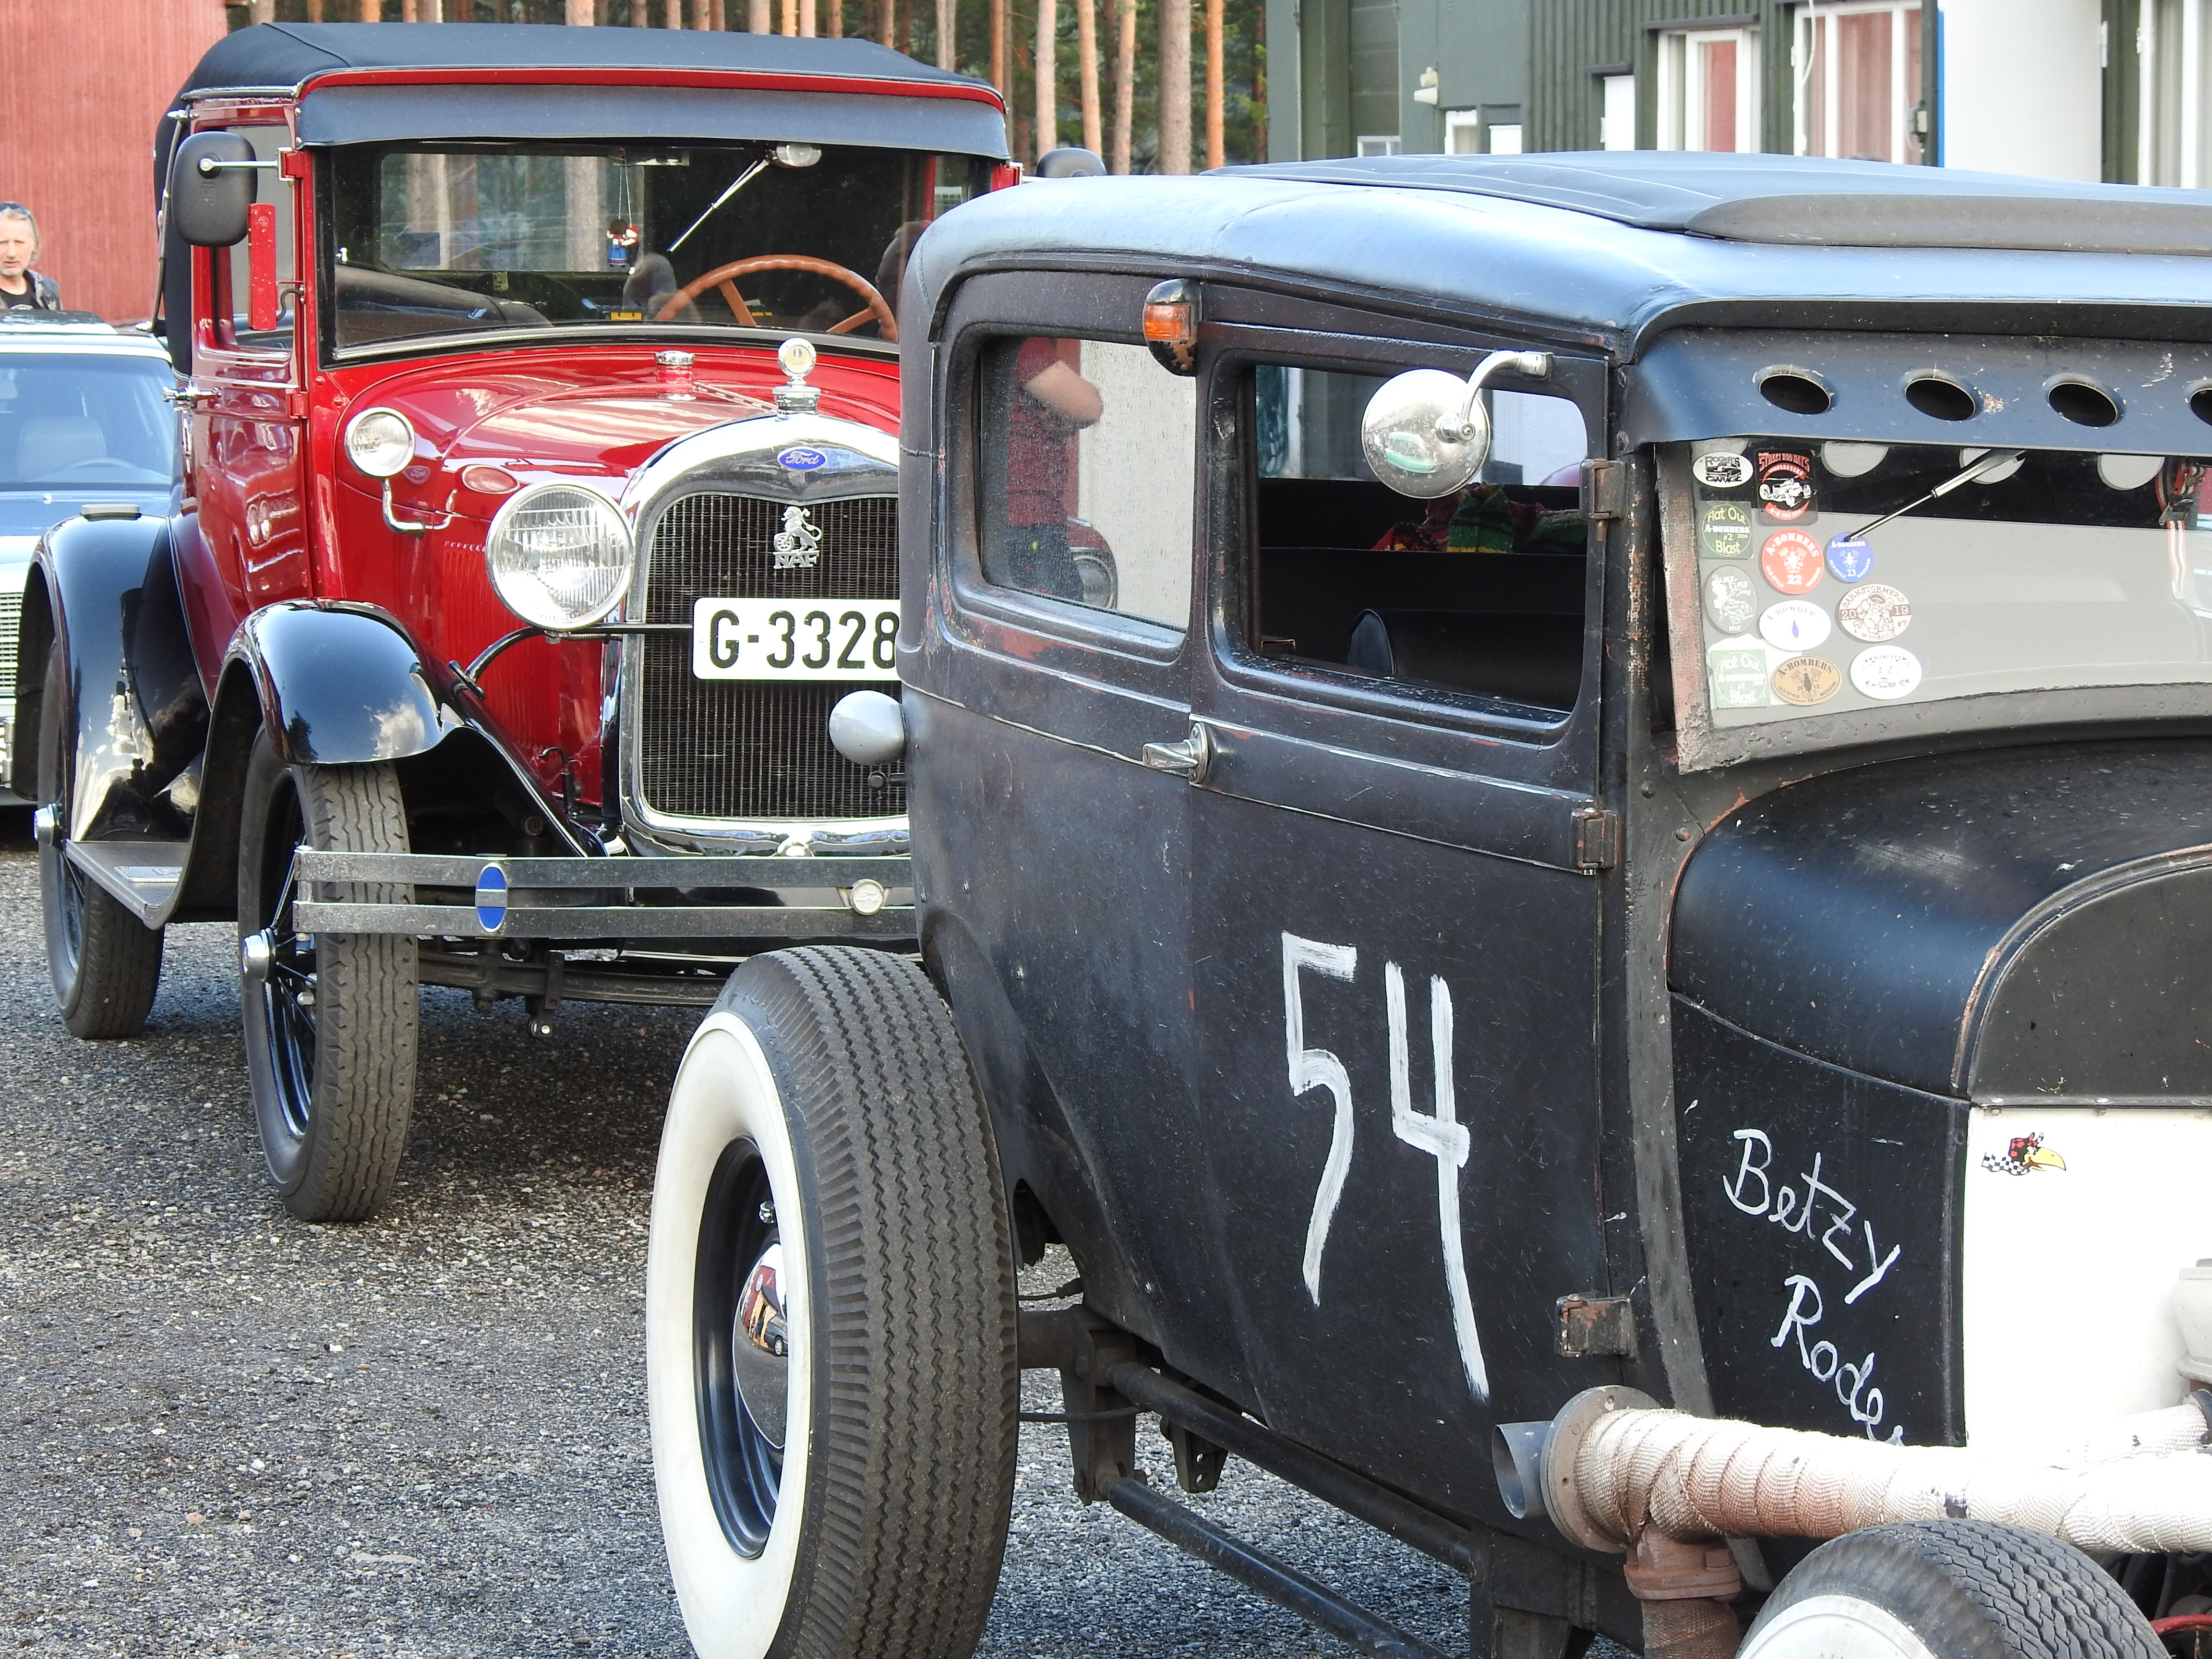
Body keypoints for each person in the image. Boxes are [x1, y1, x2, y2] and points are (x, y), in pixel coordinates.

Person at [997, 337, 1104, 599]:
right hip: (1028, 525)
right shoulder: (1021, 342)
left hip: (1009, 522)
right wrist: (1066, 408)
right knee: (1061, 615)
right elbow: (1087, 406)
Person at [0, 204, 60, 311]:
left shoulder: (48, 290)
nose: (11, 254)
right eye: (2, 243)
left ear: (34, 245)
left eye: (19, 243)